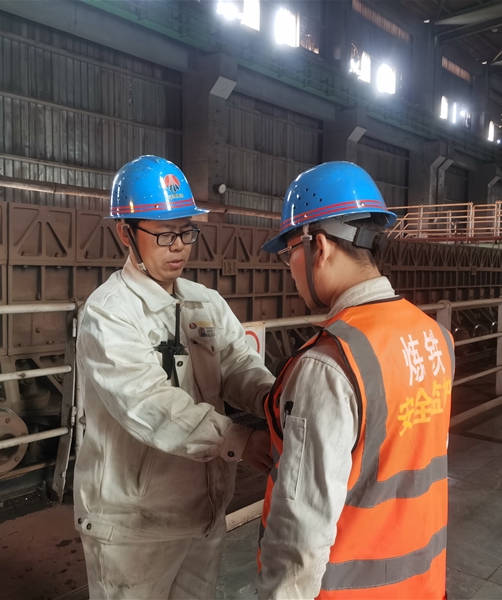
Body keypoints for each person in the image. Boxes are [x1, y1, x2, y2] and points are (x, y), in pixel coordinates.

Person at [73, 155, 275, 600]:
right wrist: (239, 440)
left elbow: (238, 363)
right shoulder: (110, 312)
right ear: (125, 232)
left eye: (187, 231)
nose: (179, 246)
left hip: (204, 511)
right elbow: (148, 403)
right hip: (134, 525)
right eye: (165, 234)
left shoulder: (204, 301)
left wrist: (273, 401)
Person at [256, 162, 455, 599]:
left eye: (289, 252)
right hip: (424, 585)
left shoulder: (329, 365)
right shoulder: (434, 336)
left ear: (319, 246)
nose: (290, 267)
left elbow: (301, 535)